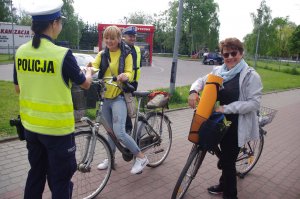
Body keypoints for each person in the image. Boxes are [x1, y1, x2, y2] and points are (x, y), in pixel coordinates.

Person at [13, 1, 92, 198]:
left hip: (31, 127)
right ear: (54, 23)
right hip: (57, 131)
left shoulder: (21, 52)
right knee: (60, 181)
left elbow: (17, 88)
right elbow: (85, 84)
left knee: (36, 175)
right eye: (61, 22)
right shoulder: (62, 54)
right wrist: (89, 71)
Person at [188, 38, 262, 199]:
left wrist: (227, 108)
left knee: (227, 162)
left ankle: (230, 194)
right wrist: (193, 91)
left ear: (241, 53)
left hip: (238, 123)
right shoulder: (218, 71)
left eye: (233, 53)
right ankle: (223, 183)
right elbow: (201, 81)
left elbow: (254, 103)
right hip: (220, 120)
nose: (229, 57)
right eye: (225, 54)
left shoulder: (251, 75)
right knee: (223, 156)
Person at [91, 25, 149, 174]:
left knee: (119, 131)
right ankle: (110, 159)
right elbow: (94, 67)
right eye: (107, 38)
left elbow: (129, 72)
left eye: (113, 38)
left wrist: (125, 76)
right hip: (105, 97)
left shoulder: (126, 53)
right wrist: (87, 70)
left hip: (120, 96)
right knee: (110, 131)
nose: (109, 41)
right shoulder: (102, 54)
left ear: (119, 39)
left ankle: (141, 157)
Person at [122, 26, 142, 135]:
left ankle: (128, 130)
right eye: (130, 36)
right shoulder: (121, 48)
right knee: (124, 106)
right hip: (124, 82)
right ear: (124, 37)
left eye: (134, 36)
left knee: (128, 106)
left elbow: (139, 66)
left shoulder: (137, 49)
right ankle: (127, 128)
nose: (133, 38)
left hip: (133, 83)